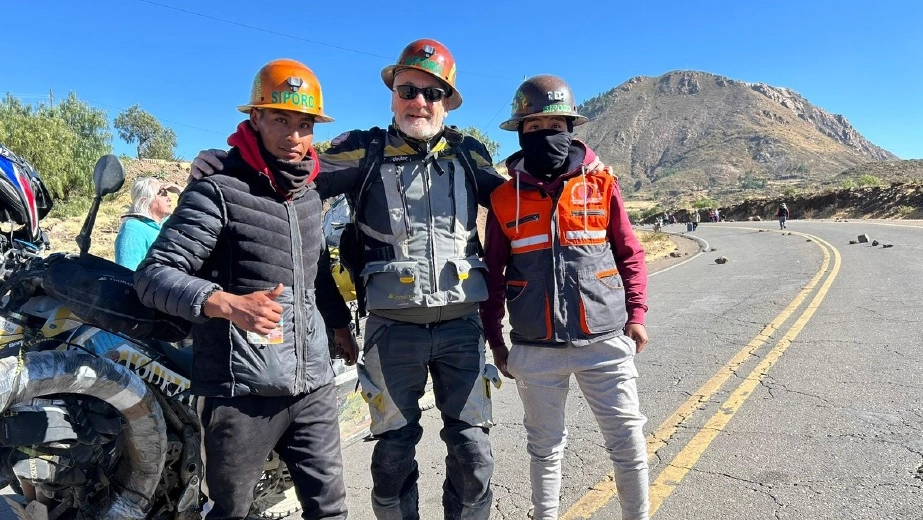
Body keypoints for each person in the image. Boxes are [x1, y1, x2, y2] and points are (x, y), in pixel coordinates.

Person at [190, 39, 506, 520]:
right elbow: (284, 167)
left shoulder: (470, 155)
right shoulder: (363, 150)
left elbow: (524, 204)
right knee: (394, 453)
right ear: (392, 95)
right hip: (391, 330)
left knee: (473, 452)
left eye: (432, 92)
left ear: (447, 101)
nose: (418, 101)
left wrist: (578, 170)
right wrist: (226, 159)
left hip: (463, 329)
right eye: (407, 90)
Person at [134, 58, 358, 520]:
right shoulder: (217, 191)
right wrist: (227, 304)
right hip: (240, 393)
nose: (293, 136)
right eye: (280, 119)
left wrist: (339, 328)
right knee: (230, 511)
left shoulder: (311, 198)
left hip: (311, 385)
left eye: (304, 124)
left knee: (331, 509)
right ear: (255, 118)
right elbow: (154, 275)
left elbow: (315, 276)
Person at [481, 75, 651, 520]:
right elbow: (493, 276)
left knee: (627, 440)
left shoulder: (601, 185)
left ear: (570, 128)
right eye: (534, 127)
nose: (544, 135)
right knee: (545, 449)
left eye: (554, 124)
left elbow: (629, 252)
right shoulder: (503, 198)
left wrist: (637, 313)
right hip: (535, 346)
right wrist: (496, 342)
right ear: (521, 132)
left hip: (604, 338)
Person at [114, 177, 181, 269]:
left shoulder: (167, 223)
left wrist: (181, 191)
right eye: (162, 194)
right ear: (144, 201)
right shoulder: (132, 229)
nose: (169, 198)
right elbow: (126, 273)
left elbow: (196, 217)